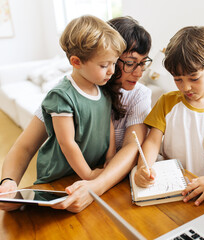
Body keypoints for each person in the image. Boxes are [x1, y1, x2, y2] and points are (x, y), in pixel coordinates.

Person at [0, 16, 152, 212]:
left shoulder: (139, 95)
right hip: (70, 182)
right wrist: (8, 182)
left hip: (111, 188)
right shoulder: (68, 94)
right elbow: (25, 146)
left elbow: (132, 149)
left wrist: (94, 186)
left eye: (143, 62)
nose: (139, 73)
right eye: (131, 63)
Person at [134, 26, 204, 206]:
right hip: (171, 189)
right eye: (178, 79)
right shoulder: (166, 103)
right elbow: (153, 141)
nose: (186, 87)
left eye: (194, 78)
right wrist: (144, 167)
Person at [34, 15, 125, 184]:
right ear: (76, 62)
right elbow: (66, 143)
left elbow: (108, 124)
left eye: (114, 63)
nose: (111, 71)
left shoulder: (102, 90)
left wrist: (111, 156)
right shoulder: (62, 96)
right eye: (104, 65)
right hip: (59, 175)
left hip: (91, 170)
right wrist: (88, 175)